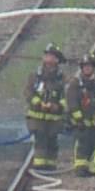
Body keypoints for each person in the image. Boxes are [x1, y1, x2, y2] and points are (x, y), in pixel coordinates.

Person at [24, 43, 67, 171]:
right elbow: (28, 92)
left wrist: (56, 106)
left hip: (54, 118)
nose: (48, 59)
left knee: (52, 141)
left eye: (51, 57)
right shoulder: (35, 76)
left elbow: (66, 97)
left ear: (57, 60)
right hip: (37, 117)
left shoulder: (62, 78)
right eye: (47, 56)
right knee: (41, 140)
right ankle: (40, 165)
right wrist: (38, 103)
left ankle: (51, 165)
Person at [63, 52, 95, 177]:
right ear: (82, 68)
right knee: (81, 147)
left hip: (93, 124)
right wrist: (79, 119)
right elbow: (72, 103)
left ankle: (89, 168)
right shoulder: (75, 84)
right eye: (85, 66)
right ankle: (80, 169)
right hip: (80, 124)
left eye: (90, 66)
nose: (87, 68)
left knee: (93, 145)